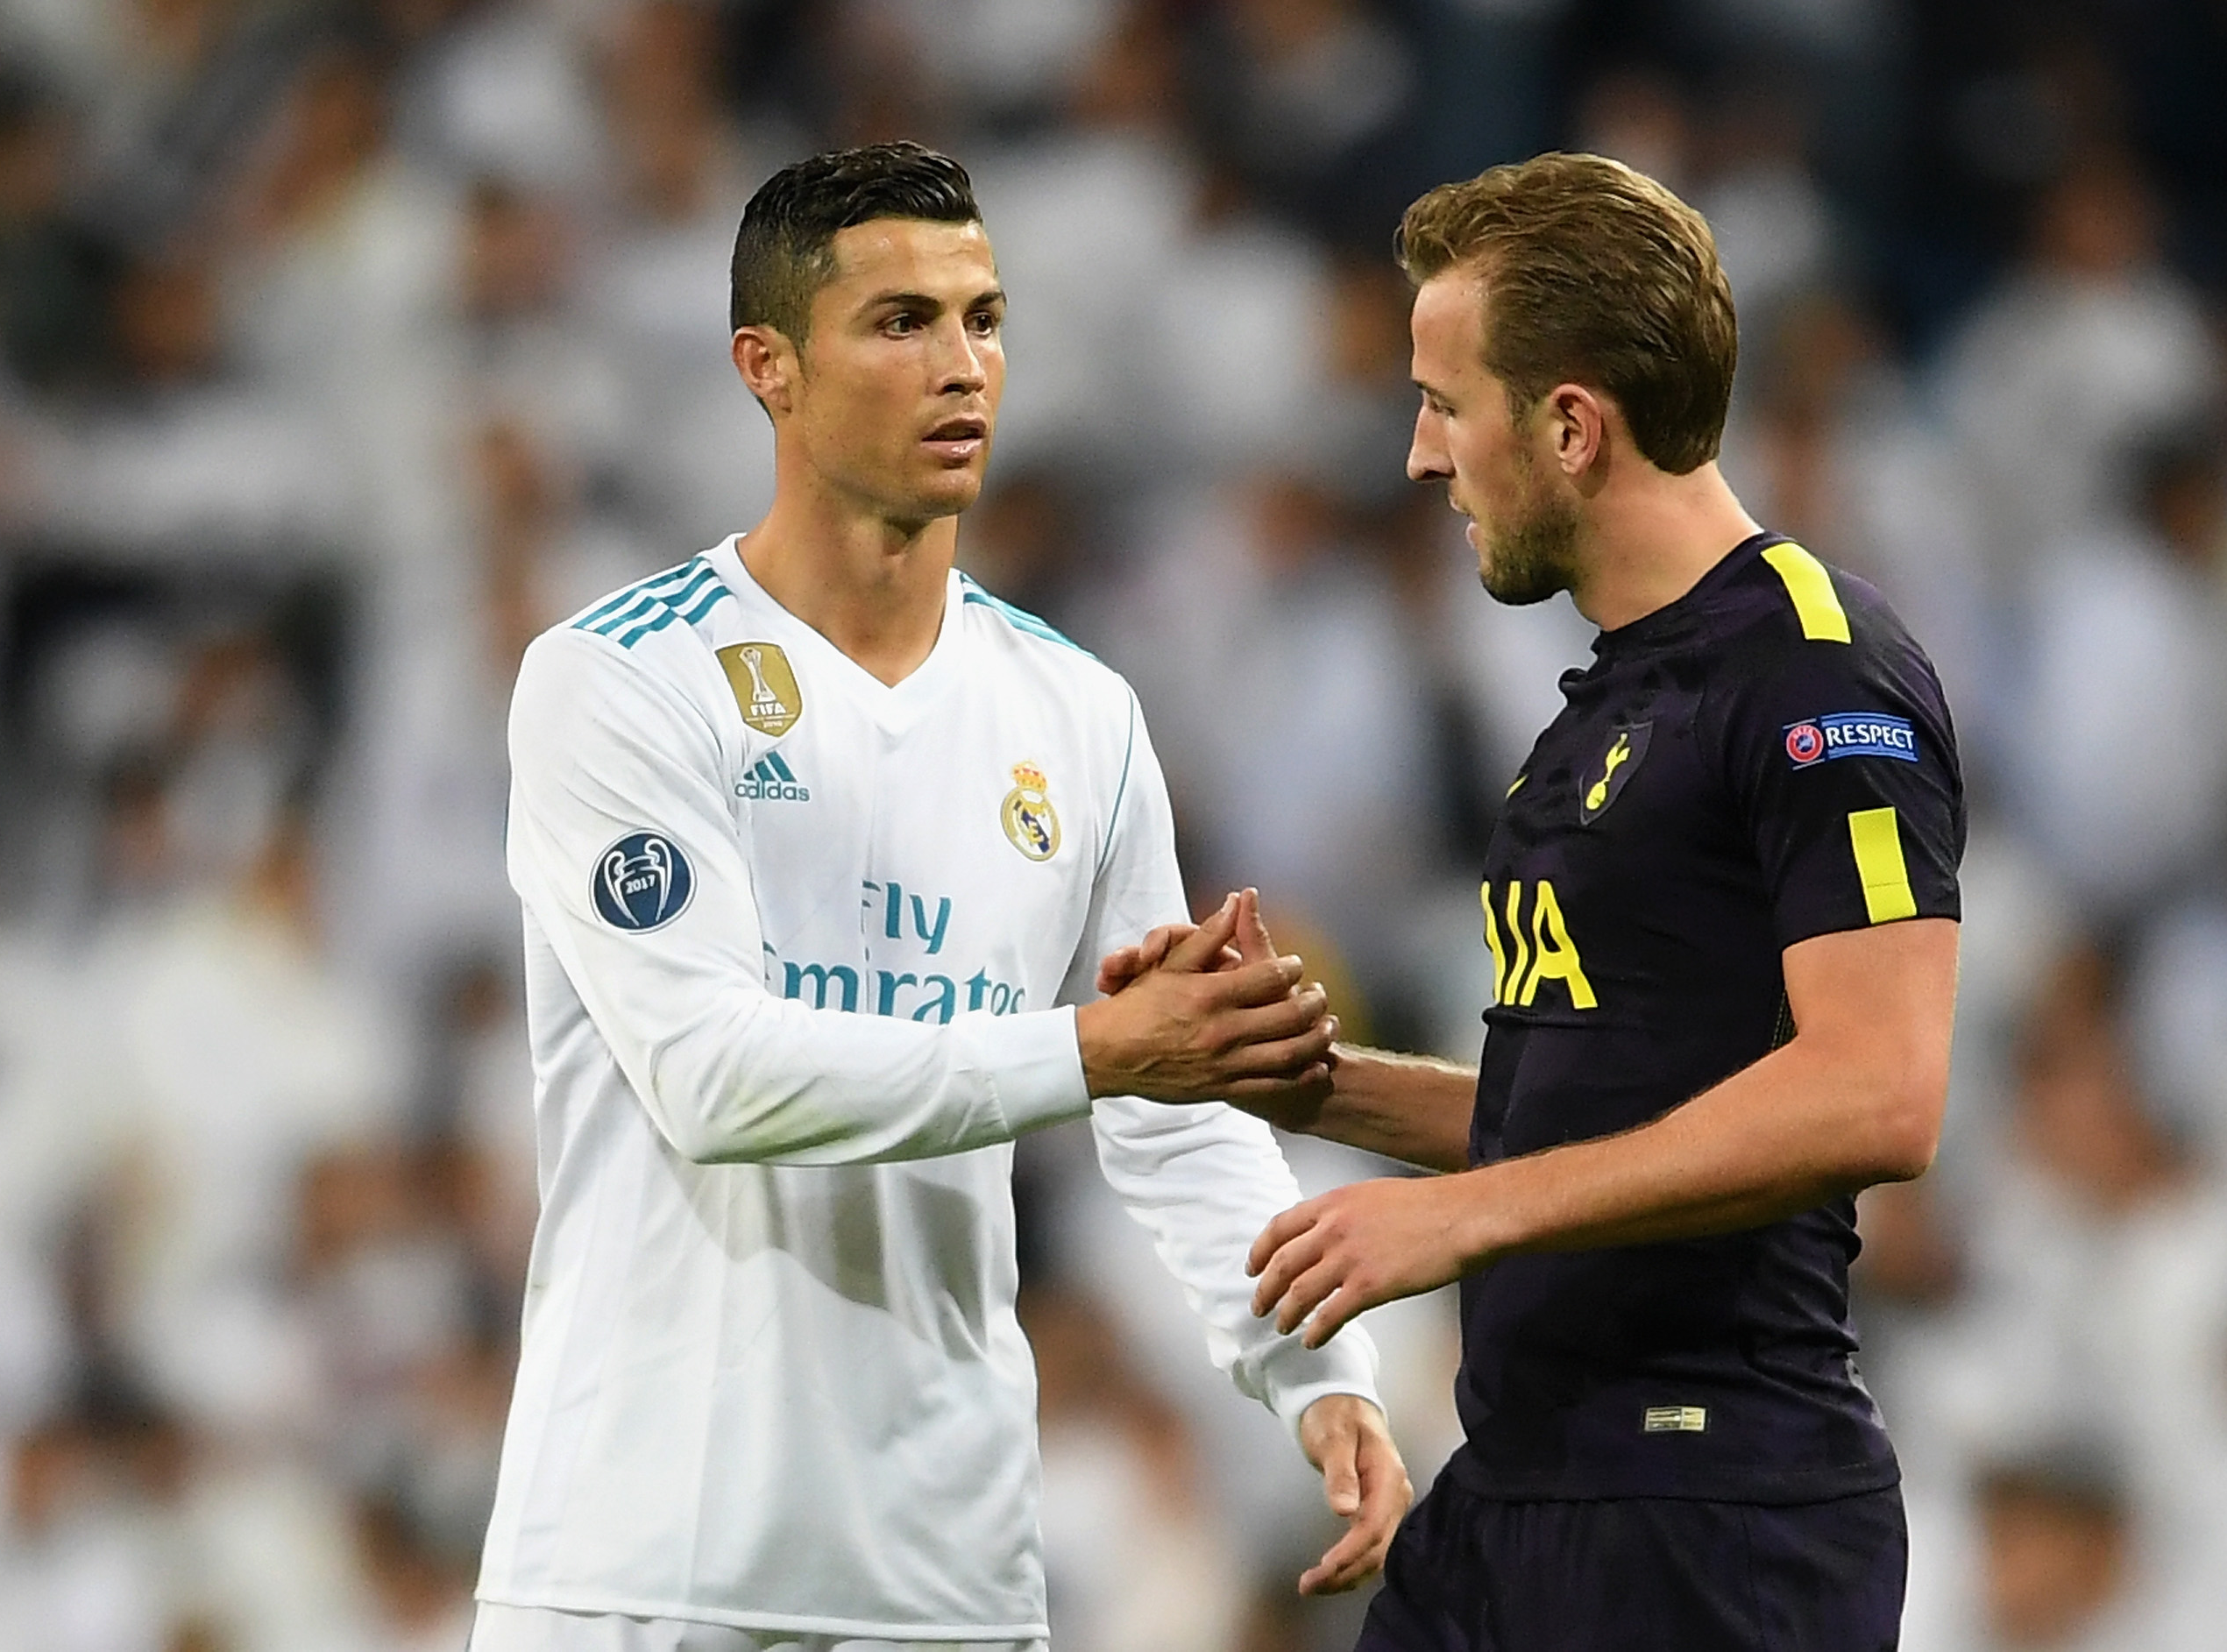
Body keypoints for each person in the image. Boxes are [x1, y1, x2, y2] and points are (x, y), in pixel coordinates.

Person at [470, 142, 1408, 1652]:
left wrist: (1312, 1369)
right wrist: (1096, 1053)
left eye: (985, 318)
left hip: (947, 1577)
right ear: (765, 367)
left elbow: (1178, 1100)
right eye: (902, 322)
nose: (963, 365)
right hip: (647, 1557)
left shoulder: (1078, 711)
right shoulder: (617, 680)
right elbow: (714, 1080)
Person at [1105, 152, 1964, 1649]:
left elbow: (1878, 1091)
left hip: (1715, 1510)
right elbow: (1586, 1107)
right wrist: (1294, 1077)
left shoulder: (1816, 669)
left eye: (1445, 402)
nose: (1421, 456)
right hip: (1521, 1493)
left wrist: (1467, 1218)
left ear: (1570, 426)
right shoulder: (1598, 709)